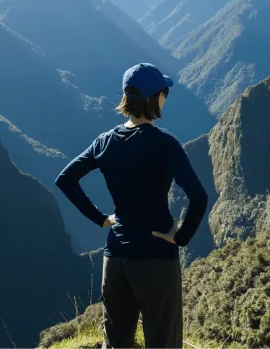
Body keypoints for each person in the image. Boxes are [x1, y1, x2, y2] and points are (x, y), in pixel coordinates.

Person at [55, 63, 207, 349]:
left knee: (115, 341)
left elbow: (65, 179)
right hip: (156, 257)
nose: (166, 97)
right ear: (155, 98)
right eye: (165, 92)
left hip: (116, 257)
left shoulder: (104, 142)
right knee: (163, 340)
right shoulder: (165, 145)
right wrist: (181, 237)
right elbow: (198, 197)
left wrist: (100, 219)